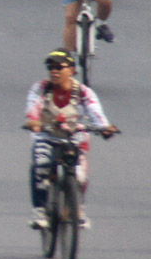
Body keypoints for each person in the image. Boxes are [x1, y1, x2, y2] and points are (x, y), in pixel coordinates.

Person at [24, 48, 119, 230]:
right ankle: (39, 210)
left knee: (80, 177)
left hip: (75, 137)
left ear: (72, 70)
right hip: (45, 135)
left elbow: (96, 113)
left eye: (59, 67)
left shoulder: (84, 92)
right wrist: (33, 122)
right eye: (50, 67)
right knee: (41, 166)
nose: (54, 71)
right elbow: (32, 108)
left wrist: (105, 128)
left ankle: (77, 209)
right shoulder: (41, 88)